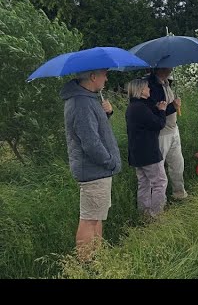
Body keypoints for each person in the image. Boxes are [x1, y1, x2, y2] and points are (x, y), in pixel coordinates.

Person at [60, 69, 122, 260]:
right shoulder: (81, 103)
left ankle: (97, 259)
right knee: (89, 219)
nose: (106, 78)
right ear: (93, 77)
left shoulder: (88, 99)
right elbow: (90, 143)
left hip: (98, 171)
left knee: (96, 216)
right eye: (104, 74)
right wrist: (109, 161)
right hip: (93, 170)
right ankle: (85, 265)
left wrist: (107, 113)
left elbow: (94, 129)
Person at [125, 78, 168, 218]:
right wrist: (162, 111)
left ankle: (144, 214)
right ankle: (156, 215)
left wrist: (157, 109)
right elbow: (158, 124)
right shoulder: (141, 108)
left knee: (144, 183)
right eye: (147, 87)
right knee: (160, 182)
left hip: (136, 152)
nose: (149, 89)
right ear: (141, 90)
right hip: (148, 151)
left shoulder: (132, 107)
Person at [147, 67, 187, 199]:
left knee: (178, 164)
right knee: (158, 168)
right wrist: (172, 107)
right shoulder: (151, 86)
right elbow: (155, 112)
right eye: (168, 67)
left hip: (173, 128)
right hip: (161, 132)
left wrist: (175, 105)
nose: (171, 69)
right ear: (159, 68)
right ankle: (158, 200)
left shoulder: (167, 83)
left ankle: (179, 193)